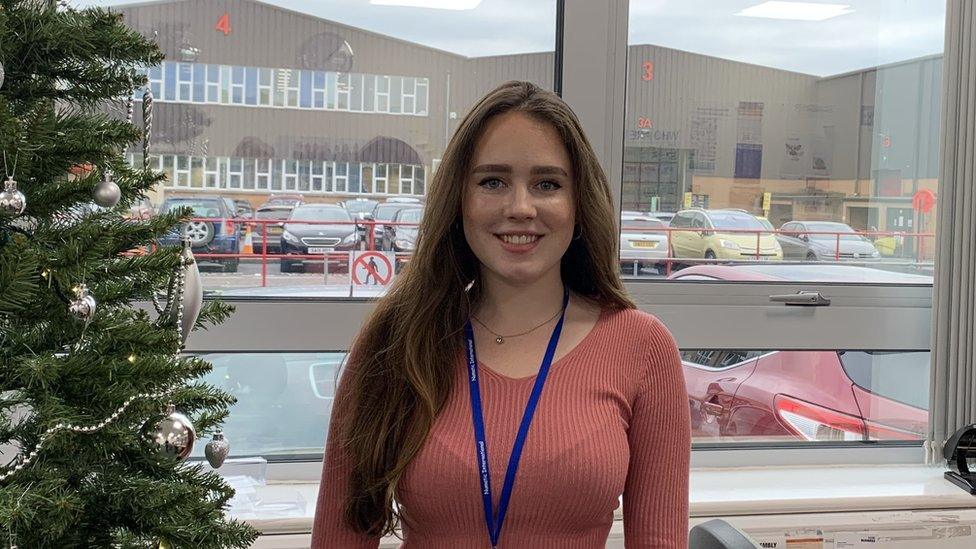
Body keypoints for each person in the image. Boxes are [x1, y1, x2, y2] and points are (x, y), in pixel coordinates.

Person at [312, 81, 690, 548]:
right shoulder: (396, 341)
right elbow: (340, 538)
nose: (520, 208)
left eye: (547, 184)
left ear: (578, 204)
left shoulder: (640, 346)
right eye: (493, 181)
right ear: (459, 200)